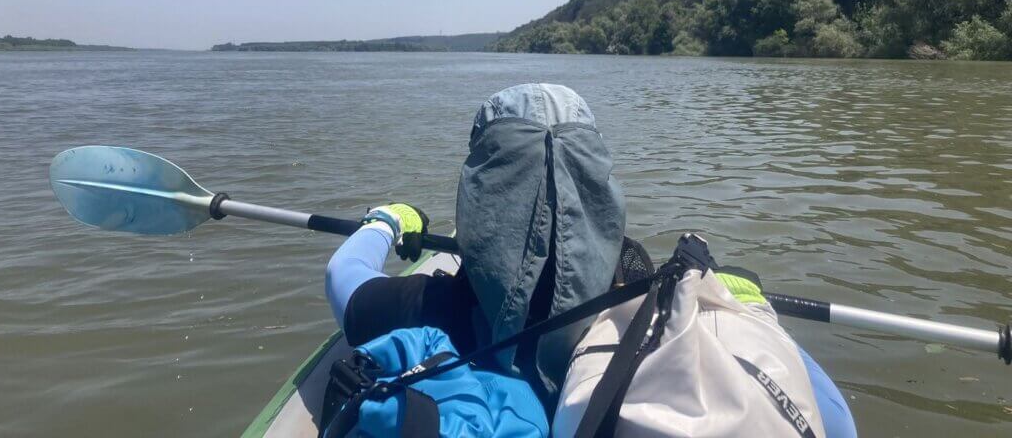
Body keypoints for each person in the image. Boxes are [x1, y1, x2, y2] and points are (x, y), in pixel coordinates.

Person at [325, 83, 856, 437]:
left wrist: (388, 221)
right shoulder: (646, 290)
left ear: (481, 190)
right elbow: (834, 419)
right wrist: (748, 309)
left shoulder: (432, 306)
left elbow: (344, 276)